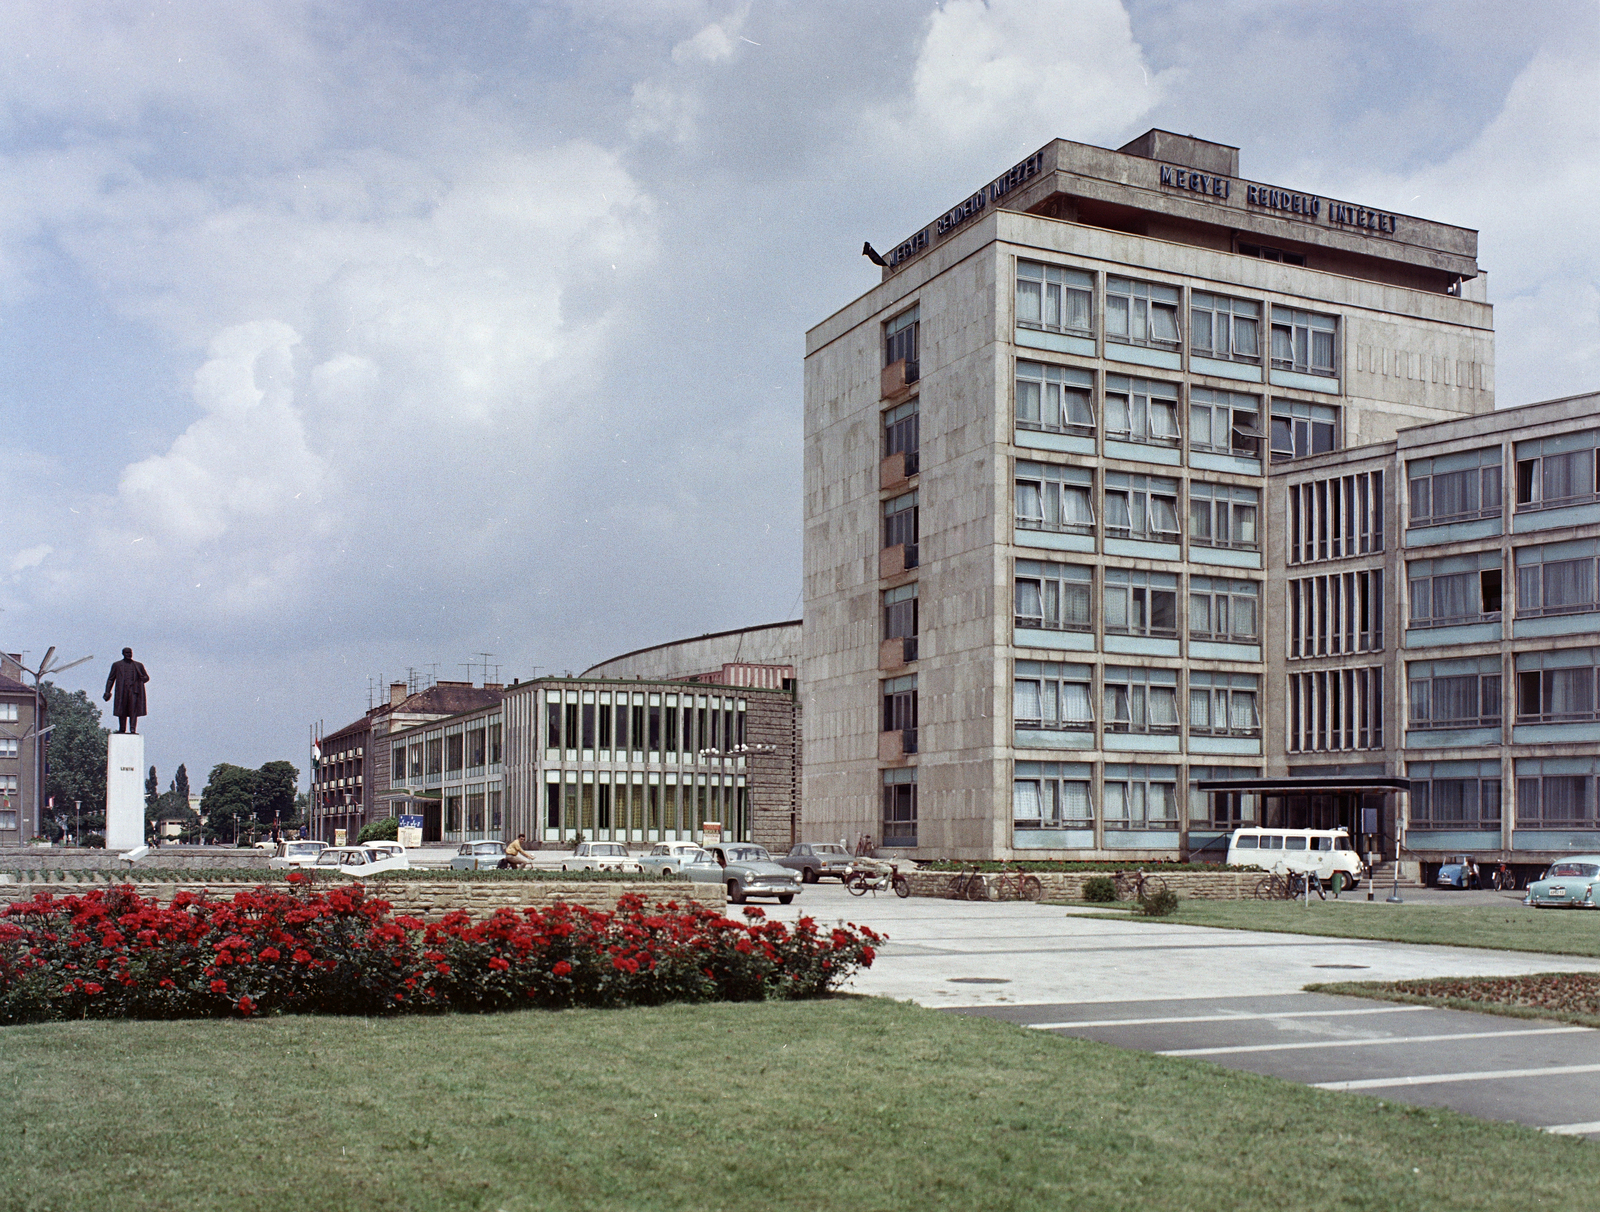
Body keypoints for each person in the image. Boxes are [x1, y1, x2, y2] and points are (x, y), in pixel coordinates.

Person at [103, 647, 150, 734]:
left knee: (133, 710)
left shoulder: (138, 665)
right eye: (127, 653)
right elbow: (111, 679)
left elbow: (146, 677)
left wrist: (144, 678)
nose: (129, 654)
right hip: (122, 691)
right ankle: (122, 728)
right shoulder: (117, 665)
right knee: (122, 709)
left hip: (134, 690)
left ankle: (132, 728)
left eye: (130, 653)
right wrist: (107, 691)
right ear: (123, 654)